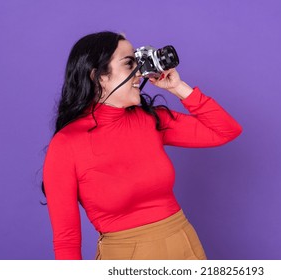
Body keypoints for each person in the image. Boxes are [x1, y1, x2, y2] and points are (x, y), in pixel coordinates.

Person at [42, 31, 242, 260]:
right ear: (99, 77)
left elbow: (226, 131)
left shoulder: (150, 119)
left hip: (186, 246)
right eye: (129, 64)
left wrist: (178, 88)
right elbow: (66, 240)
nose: (140, 73)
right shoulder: (66, 144)